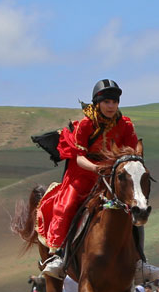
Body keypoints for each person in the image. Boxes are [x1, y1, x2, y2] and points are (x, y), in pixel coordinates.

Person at [37, 79, 140, 278]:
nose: (111, 106)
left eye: (115, 102)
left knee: (134, 207)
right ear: (97, 103)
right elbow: (79, 158)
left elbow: (132, 151)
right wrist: (96, 168)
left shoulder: (125, 124)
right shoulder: (86, 125)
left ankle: (139, 261)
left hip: (112, 175)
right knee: (66, 205)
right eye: (107, 102)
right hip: (83, 173)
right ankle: (58, 255)